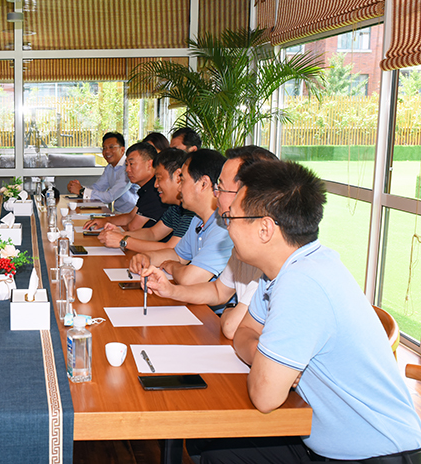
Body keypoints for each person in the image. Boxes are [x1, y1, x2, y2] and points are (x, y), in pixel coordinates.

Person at [199, 160, 421, 463]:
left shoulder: (302, 282)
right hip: (322, 438)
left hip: (377, 453)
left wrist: (270, 368)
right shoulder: (284, 270)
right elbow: (243, 333)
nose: (227, 227)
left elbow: (264, 396)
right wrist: (266, 359)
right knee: (217, 451)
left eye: (231, 218)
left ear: (265, 228)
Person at [138, 146, 277, 339]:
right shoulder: (241, 242)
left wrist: (229, 309)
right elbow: (218, 291)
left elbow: (230, 326)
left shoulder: (272, 257)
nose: (216, 193)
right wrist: (170, 290)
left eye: (221, 187)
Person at [130, 149, 231, 285]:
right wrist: (146, 257)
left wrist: (173, 266)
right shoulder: (197, 220)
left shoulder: (223, 226)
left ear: (204, 184)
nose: (179, 189)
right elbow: (178, 255)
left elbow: (189, 279)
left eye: (182, 181)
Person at [97, 148, 195, 253]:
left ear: (178, 176)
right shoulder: (175, 208)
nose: (156, 185)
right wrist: (120, 234)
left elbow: (172, 249)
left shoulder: (191, 211)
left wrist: (123, 241)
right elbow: (153, 233)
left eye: (159, 178)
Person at [81, 142, 166, 238]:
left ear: (149, 164)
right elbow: (130, 217)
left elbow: (133, 227)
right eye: (126, 165)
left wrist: (115, 230)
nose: (127, 170)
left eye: (131, 164)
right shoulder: (146, 189)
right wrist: (105, 221)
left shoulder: (155, 190)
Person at [66, 132, 138, 213]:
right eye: (104, 148)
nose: (107, 151)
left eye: (111, 147)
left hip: (133, 214)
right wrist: (78, 187)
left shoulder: (128, 169)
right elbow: (98, 187)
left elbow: (110, 197)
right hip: (119, 213)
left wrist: (81, 191)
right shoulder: (109, 167)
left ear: (122, 150)